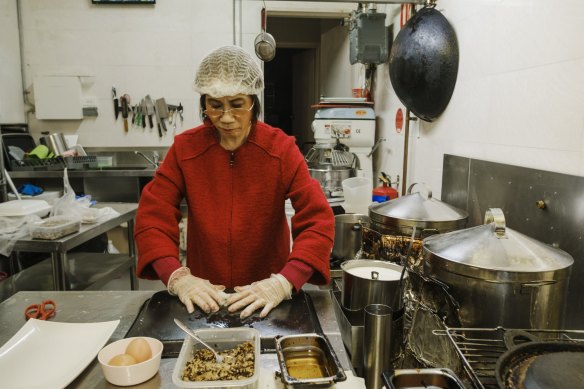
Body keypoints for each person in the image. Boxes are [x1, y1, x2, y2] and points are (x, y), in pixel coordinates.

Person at [135, 45, 334, 319]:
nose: (226, 118)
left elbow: (318, 220)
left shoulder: (281, 150)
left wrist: (285, 281)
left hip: (268, 300)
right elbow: (152, 218)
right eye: (215, 105)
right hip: (205, 299)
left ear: (253, 102)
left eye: (237, 105)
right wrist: (177, 276)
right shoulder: (186, 149)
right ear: (204, 104)